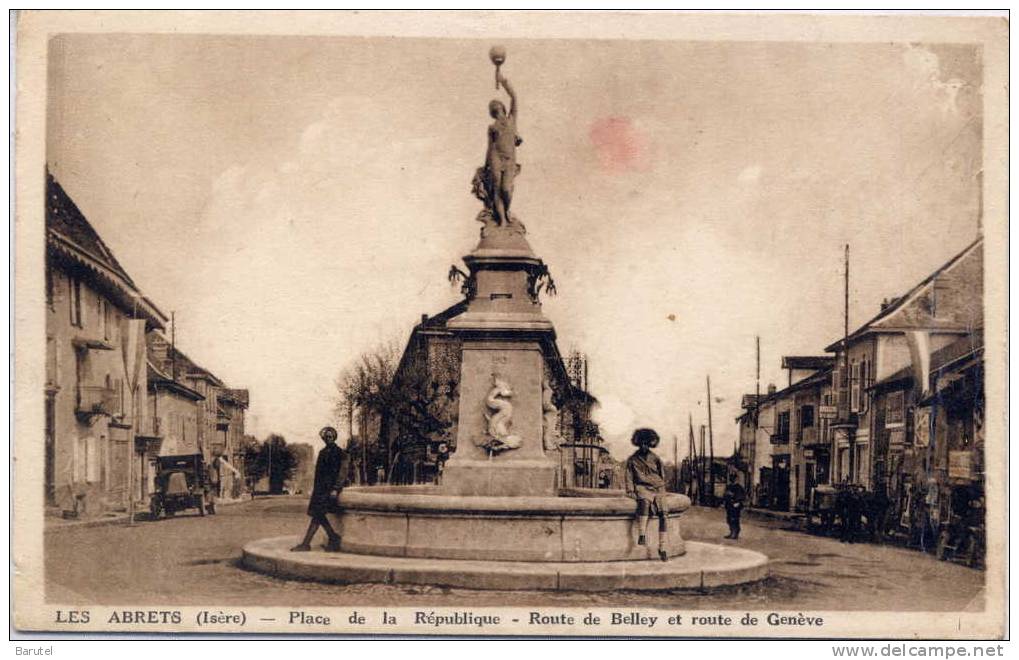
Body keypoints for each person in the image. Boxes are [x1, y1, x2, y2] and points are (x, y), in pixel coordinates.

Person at [291, 426, 349, 552]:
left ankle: (307, 544)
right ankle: (333, 537)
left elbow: (342, 472)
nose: (328, 439)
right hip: (320, 489)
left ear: (334, 437)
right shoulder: (322, 452)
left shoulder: (340, 453)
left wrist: (335, 488)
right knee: (318, 514)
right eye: (326, 437)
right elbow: (318, 473)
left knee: (318, 514)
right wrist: (315, 489)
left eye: (330, 436)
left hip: (330, 490)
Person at [624, 428, 670, 561]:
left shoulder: (655, 458)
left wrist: (661, 486)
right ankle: (642, 535)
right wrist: (631, 490)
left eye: (647, 443)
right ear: (638, 443)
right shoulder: (632, 459)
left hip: (658, 487)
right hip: (642, 487)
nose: (644, 446)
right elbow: (629, 476)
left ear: (650, 444)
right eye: (642, 443)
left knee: (664, 514)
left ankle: (662, 547)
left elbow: (662, 474)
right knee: (643, 502)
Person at [484, 73, 521, 226]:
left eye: (497, 104)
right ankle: (503, 221)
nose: (495, 106)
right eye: (493, 106)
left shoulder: (512, 119)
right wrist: (486, 165)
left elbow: (514, 97)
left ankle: (506, 211)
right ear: (492, 111)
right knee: (497, 188)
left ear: (502, 107)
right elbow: (489, 146)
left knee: (506, 188)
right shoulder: (492, 127)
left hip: (509, 158)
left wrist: (503, 81)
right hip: (495, 157)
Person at [722, 473, 746, 540]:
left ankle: (735, 533)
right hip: (729, 506)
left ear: (736, 479)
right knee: (729, 519)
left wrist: (738, 502)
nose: (732, 480)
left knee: (735, 519)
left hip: (735, 506)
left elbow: (742, 497)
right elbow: (725, 495)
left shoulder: (739, 487)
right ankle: (731, 532)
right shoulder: (729, 486)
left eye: (734, 478)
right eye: (731, 478)